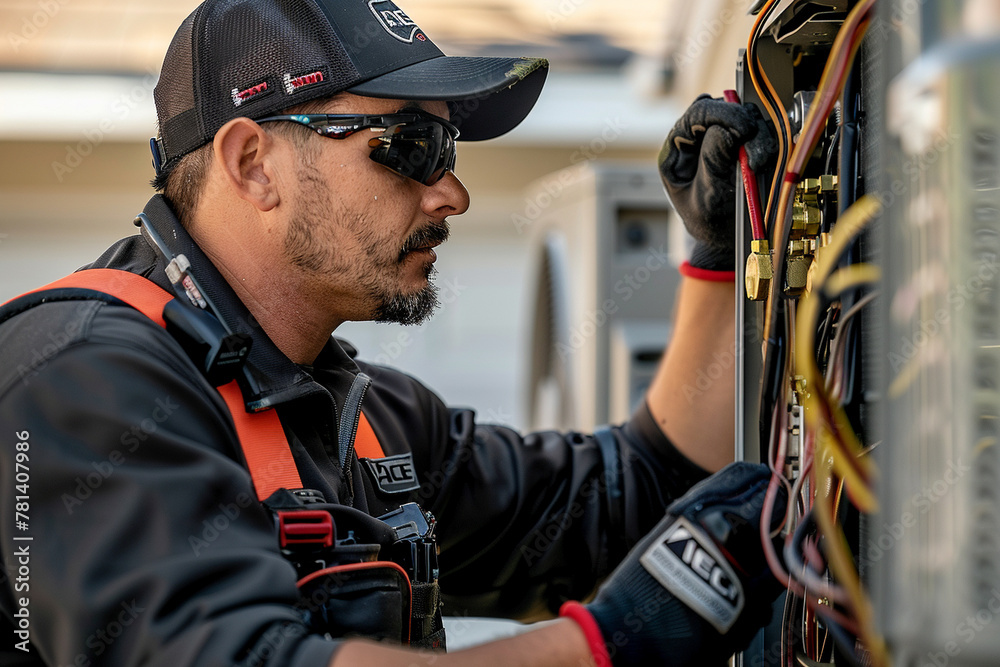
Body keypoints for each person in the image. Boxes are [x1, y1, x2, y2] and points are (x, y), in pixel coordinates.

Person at [0, 1, 777, 665]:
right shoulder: (78, 381)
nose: (454, 194)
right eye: (412, 147)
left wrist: (718, 257)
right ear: (252, 164)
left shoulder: (350, 414)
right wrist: (611, 647)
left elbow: (632, 495)